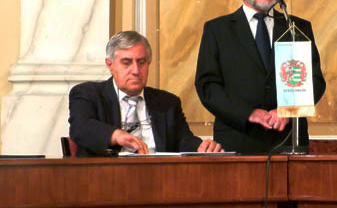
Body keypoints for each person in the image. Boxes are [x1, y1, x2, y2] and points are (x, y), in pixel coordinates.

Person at [194, 0, 326, 153]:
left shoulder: (296, 27)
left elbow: (314, 81)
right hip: (237, 138)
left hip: (288, 138)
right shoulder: (218, 30)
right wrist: (249, 113)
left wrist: (287, 111)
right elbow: (208, 86)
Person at [69, 30, 222, 155]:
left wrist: (203, 147)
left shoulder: (167, 102)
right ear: (110, 65)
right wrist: (116, 135)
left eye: (141, 62)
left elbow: (183, 141)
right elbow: (80, 127)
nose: (136, 70)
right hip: (109, 177)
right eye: (126, 63)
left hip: (159, 176)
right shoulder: (88, 94)